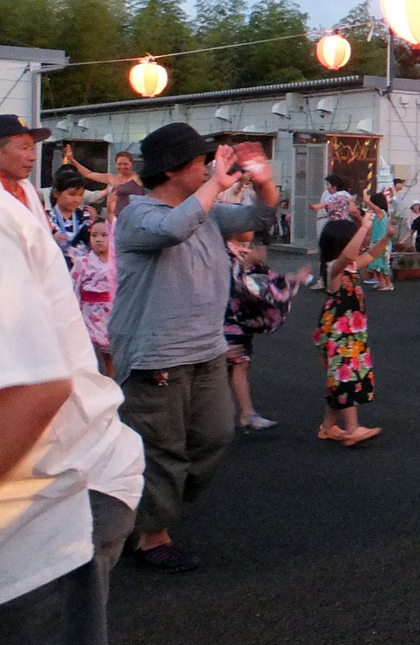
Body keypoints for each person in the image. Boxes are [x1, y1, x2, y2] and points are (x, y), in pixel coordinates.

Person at [0, 114, 145, 645]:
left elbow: (36, 388)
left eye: (32, 142)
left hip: (53, 490)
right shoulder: (20, 205)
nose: (28, 149)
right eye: (19, 142)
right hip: (51, 471)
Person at [111, 124, 278, 571]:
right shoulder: (136, 213)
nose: (208, 168)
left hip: (207, 349)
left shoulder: (206, 211)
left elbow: (259, 218)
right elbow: (172, 229)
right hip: (156, 355)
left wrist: (262, 180)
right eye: (200, 163)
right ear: (173, 170)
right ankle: (152, 535)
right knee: (162, 448)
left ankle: (140, 515)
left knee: (215, 437)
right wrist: (214, 185)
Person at [314, 210, 396, 445]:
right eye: (353, 240)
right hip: (339, 336)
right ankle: (352, 429)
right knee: (346, 377)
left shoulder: (350, 267)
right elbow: (351, 253)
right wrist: (362, 227)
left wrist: (387, 238)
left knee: (342, 380)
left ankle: (328, 427)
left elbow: (372, 254)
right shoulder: (335, 269)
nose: (359, 244)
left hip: (352, 334)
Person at [224, 232, 312, 432]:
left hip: (238, 318)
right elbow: (243, 284)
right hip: (224, 317)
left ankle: (244, 413)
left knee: (238, 364)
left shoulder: (242, 251)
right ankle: (240, 414)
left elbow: (266, 279)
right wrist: (247, 263)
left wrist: (291, 278)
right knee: (237, 363)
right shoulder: (224, 252)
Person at [73, 219, 117, 377]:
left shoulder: (118, 262)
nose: (98, 239)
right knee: (94, 355)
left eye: (104, 235)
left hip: (112, 312)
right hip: (89, 314)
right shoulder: (82, 263)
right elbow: (73, 290)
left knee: (113, 356)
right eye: (94, 235)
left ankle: (114, 384)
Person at [64, 145, 145, 219]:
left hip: (130, 218)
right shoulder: (111, 178)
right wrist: (72, 160)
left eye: (125, 164)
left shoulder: (136, 178)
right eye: (119, 164)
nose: (122, 167)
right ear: (115, 164)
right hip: (112, 218)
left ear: (131, 164)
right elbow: (89, 174)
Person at [48, 168, 92, 256]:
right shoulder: (46, 217)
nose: (76, 200)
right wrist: (51, 238)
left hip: (80, 266)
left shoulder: (85, 217)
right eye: (72, 194)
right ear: (56, 193)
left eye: (80, 195)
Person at [367, 191, 394, 290]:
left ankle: (388, 284)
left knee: (383, 263)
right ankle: (381, 281)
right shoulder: (378, 214)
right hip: (376, 241)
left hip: (382, 242)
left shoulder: (381, 212)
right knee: (376, 262)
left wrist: (365, 194)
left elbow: (368, 202)